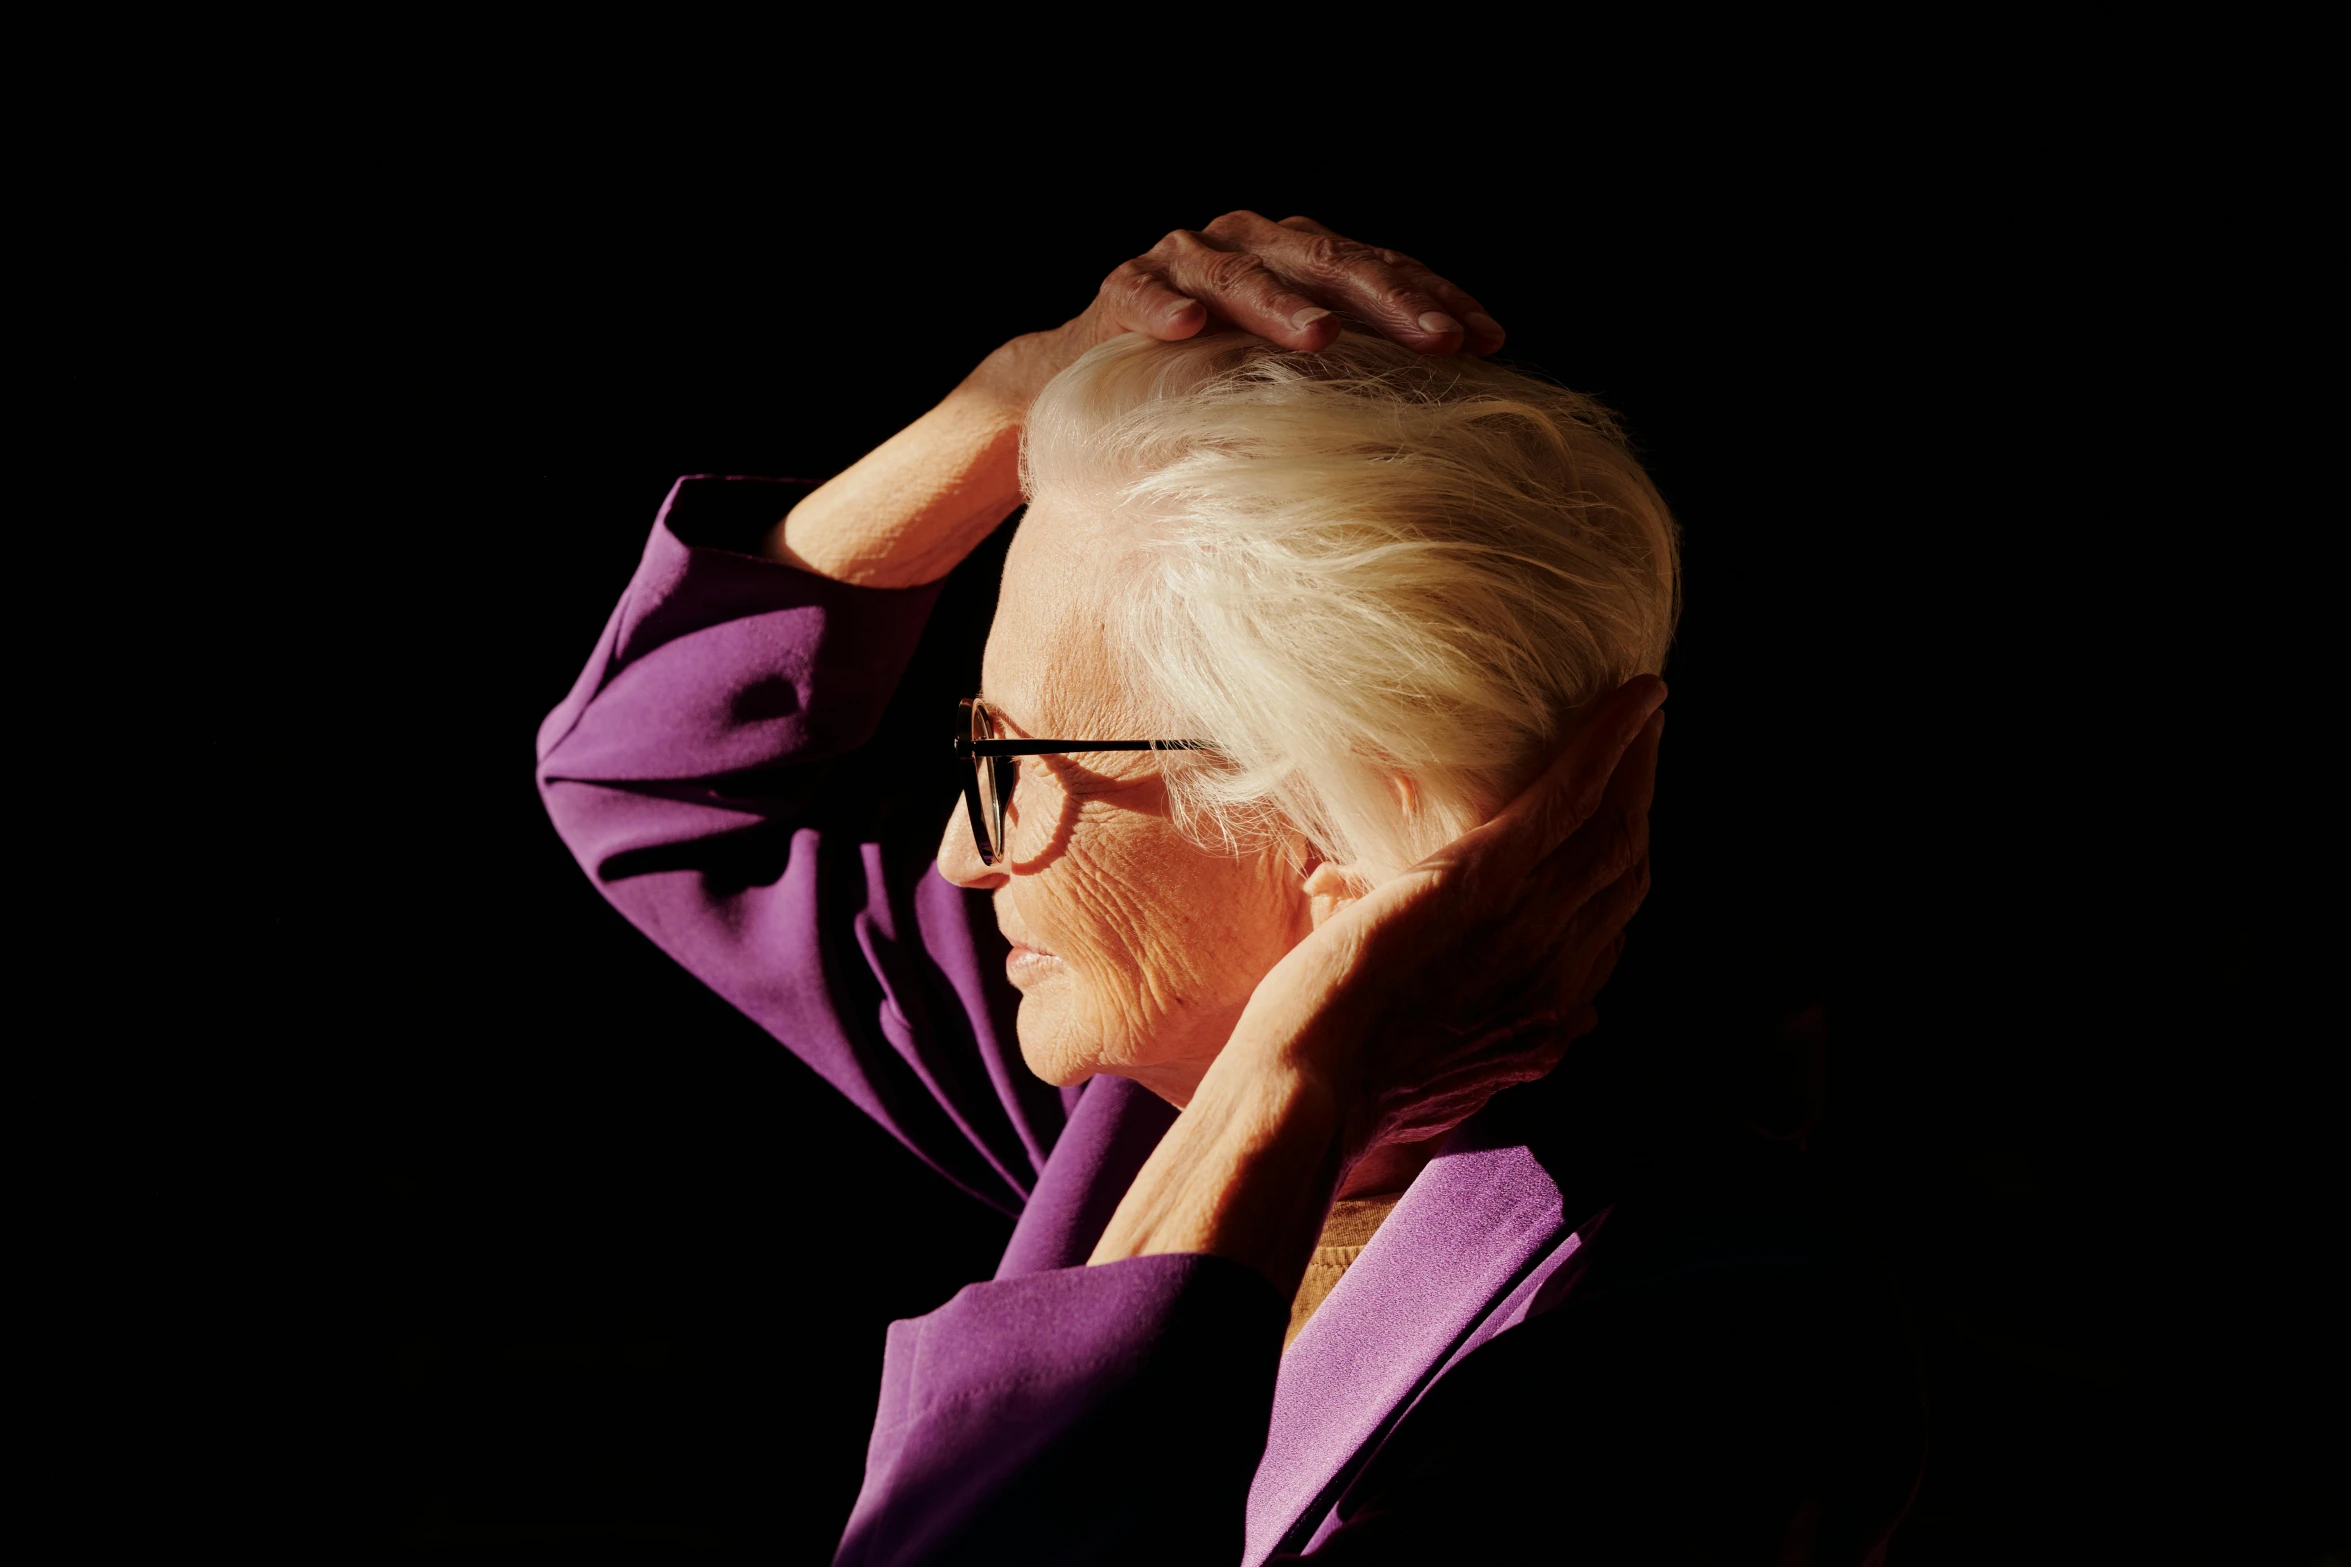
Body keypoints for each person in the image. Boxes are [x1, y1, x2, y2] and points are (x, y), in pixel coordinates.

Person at [536, 212, 1924, 1563]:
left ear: (1334, 836)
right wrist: (1006, 411)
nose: (963, 851)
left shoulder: (1698, 1366)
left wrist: (1275, 1114)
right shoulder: (1137, 1100)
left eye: (1013, 765)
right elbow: (651, 784)